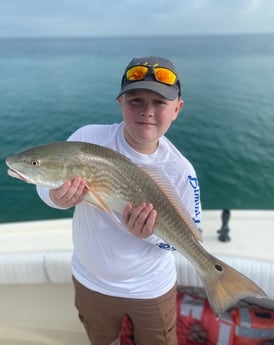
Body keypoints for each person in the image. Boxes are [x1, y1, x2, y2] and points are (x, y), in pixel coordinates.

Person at [37, 56, 202, 345]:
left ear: (177, 109)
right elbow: (45, 177)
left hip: (149, 288)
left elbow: (187, 239)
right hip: (91, 281)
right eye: (136, 100)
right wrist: (56, 197)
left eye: (160, 103)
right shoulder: (88, 139)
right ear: (120, 103)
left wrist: (149, 235)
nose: (147, 111)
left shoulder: (180, 171)